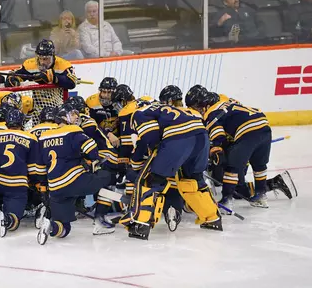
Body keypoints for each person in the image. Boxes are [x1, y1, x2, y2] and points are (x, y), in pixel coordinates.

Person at [119, 97, 222, 240]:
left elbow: (151, 139)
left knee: (151, 180)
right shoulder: (167, 110)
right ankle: (212, 218)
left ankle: (141, 224)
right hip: (202, 138)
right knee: (193, 181)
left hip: (178, 138)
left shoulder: (138, 113)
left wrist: (138, 166)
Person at [35, 103, 115, 244]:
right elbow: (91, 150)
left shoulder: (43, 137)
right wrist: (90, 159)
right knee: (107, 176)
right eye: (72, 114)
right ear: (63, 117)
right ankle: (100, 220)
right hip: (75, 181)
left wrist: (44, 187)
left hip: (55, 188)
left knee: (64, 228)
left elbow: (40, 167)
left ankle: (51, 227)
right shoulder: (73, 130)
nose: (76, 117)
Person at [186, 86, 272, 211]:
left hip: (247, 131)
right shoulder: (227, 100)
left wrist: (217, 149)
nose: (196, 111)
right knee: (260, 165)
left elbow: (217, 134)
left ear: (202, 104)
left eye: (195, 107)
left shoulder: (211, 113)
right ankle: (261, 196)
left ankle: (227, 200)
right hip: (264, 125)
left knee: (232, 166)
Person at [0, 108, 41, 237]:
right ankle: (9, 219)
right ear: (21, 122)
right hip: (16, 184)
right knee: (15, 218)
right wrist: (36, 183)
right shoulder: (30, 137)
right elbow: (33, 167)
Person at [5, 39, 77, 90]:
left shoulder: (64, 65)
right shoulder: (30, 64)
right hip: (37, 102)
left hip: (59, 100)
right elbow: (15, 75)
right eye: (40, 58)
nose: (42, 62)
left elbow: (72, 83)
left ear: (53, 56)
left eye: (45, 59)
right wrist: (13, 79)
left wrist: (53, 77)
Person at [85, 77, 120, 147]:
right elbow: (89, 125)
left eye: (109, 92)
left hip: (118, 137)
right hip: (99, 137)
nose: (106, 95)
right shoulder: (91, 102)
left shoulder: (120, 101)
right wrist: (108, 134)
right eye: (104, 92)